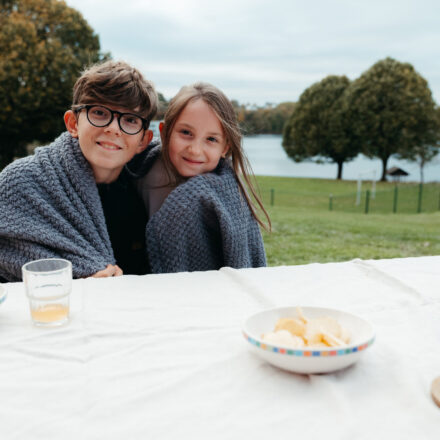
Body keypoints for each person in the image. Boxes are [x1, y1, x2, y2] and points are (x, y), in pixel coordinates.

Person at [0, 60, 158, 282]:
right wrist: (77, 280)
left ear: (144, 140)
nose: (113, 128)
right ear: (73, 123)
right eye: (100, 113)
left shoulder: (145, 189)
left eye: (130, 120)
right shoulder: (22, 183)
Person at [131, 82, 270, 273]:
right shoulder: (140, 167)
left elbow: (243, 258)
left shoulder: (227, 195)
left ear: (225, 147)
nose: (195, 150)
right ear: (164, 133)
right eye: (186, 133)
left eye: (211, 139)